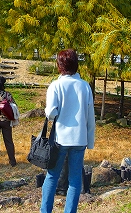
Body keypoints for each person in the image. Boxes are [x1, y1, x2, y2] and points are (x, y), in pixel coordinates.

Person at [40, 49, 96, 213]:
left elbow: (50, 113)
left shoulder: (55, 85)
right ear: (76, 65)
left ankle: (45, 211)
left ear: (59, 65)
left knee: (52, 176)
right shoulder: (85, 86)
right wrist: (90, 141)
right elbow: (90, 116)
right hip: (79, 139)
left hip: (60, 139)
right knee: (75, 179)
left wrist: (56, 112)